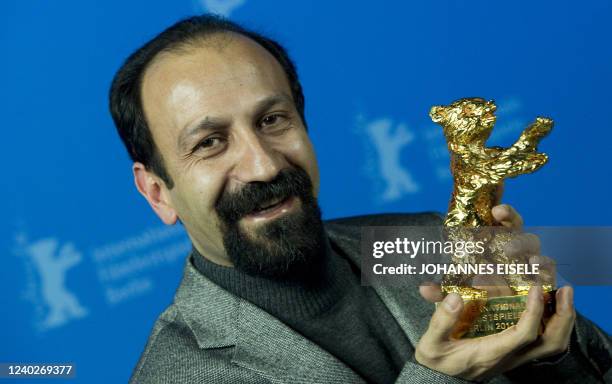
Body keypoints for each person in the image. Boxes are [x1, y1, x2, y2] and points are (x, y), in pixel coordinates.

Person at [109, 14, 612, 384]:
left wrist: (548, 349)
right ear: (158, 192)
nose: (264, 165)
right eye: (209, 143)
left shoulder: (430, 240)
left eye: (271, 120)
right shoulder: (176, 373)